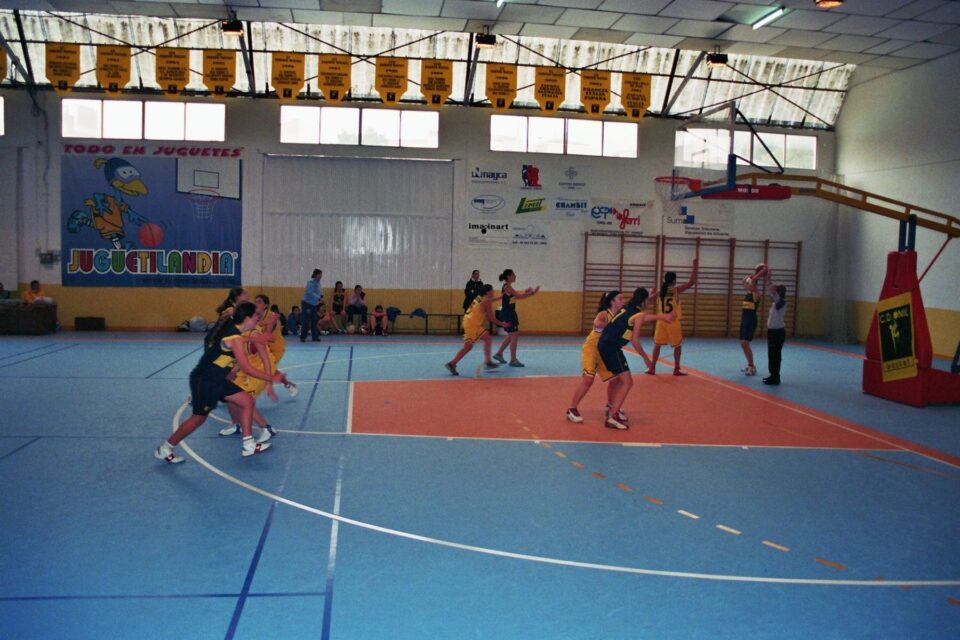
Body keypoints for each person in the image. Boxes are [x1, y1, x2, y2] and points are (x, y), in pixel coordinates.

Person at [154, 302, 288, 463]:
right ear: (246, 318)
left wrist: (255, 337)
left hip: (217, 379)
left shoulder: (234, 330)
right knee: (198, 419)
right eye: (256, 317)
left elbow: (241, 338)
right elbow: (246, 368)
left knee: (247, 400)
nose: (257, 321)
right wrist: (271, 378)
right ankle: (165, 448)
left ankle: (248, 444)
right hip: (205, 380)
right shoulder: (235, 337)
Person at [598, 288, 674, 430]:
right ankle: (612, 416)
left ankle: (613, 409)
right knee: (627, 382)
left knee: (621, 381)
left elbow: (643, 317)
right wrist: (646, 359)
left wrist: (662, 317)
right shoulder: (637, 314)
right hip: (611, 348)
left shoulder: (628, 308)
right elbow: (635, 340)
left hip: (606, 344)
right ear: (644, 301)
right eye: (648, 300)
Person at [566, 290, 625, 423]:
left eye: (623, 299)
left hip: (605, 351)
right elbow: (598, 323)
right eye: (620, 299)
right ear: (612, 302)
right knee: (588, 380)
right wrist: (613, 327)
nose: (623, 301)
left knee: (615, 379)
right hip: (591, 349)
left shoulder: (621, 315)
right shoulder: (604, 314)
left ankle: (610, 406)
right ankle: (572, 409)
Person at [647, 259, 698, 376]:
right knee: (677, 346)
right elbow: (691, 282)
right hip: (673, 322)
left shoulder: (661, 291)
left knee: (657, 345)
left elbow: (649, 300)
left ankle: (652, 368)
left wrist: (650, 292)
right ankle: (676, 369)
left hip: (661, 321)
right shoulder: (675, 290)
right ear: (674, 281)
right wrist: (695, 267)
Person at [445, 284, 511, 376]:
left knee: (488, 338)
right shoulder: (486, 302)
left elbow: (490, 301)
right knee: (468, 347)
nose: (494, 292)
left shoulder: (480, 297)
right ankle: (452, 363)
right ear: (488, 292)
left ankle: (488, 362)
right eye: (492, 290)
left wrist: (501, 296)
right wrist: (503, 324)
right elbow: (491, 318)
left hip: (472, 321)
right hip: (471, 324)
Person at [492, 269, 540, 367]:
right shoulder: (508, 287)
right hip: (509, 313)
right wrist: (532, 293)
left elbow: (515, 297)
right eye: (513, 275)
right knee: (514, 336)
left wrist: (527, 293)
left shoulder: (507, 287)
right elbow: (519, 296)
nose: (515, 276)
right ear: (509, 276)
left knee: (510, 335)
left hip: (507, 312)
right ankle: (513, 360)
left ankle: (499, 354)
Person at [739, 263, 768, 376]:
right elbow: (744, 280)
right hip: (744, 319)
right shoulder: (748, 293)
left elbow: (751, 281)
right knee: (742, 343)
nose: (746, 285)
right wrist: (756, 273)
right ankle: (750, 365)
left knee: (745, 343)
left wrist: (759, 273)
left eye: (749, 284)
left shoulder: (756, 295)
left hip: (751, 320)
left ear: (754, 286)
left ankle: (752, 366)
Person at [764, 277, 788, 386]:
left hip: (778, 333)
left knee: (776, 356)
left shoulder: (781, 303)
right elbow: (771, 292)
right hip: (772, 332)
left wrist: (770, 281)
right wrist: (768, 280)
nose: (774, 294)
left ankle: (776, 377)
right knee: (771, 355)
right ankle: (772, 375)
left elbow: (773, 292)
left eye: (777, 292)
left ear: (780, 293)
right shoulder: (775, 303)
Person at [300, 268, 323, 343]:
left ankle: (315, 337)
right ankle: (303, 337)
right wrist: (319, 297)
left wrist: (321, 296)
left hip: (314, 304)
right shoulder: (310, 283)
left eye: (321, 275)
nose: (321, 276)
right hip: (307, 304)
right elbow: (310, 293)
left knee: (314, 321)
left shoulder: (318, 283)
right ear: (316, 275)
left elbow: (318, 292)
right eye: (320, 274)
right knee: (306, 321)